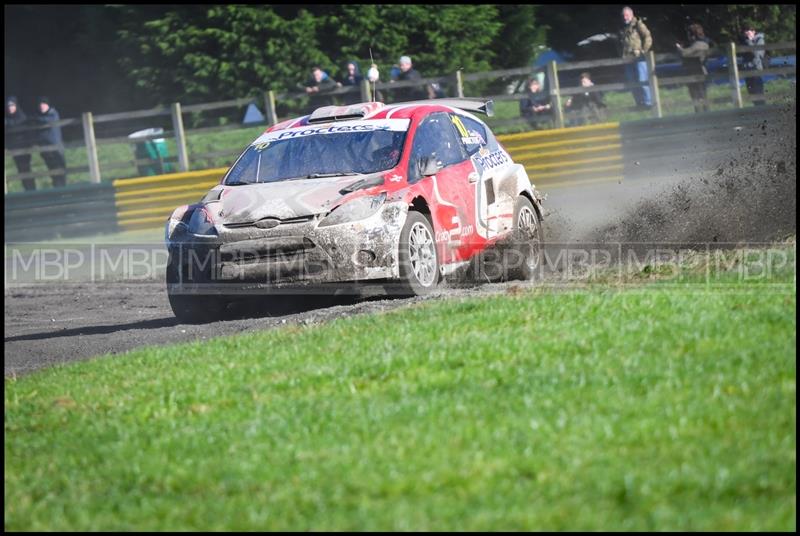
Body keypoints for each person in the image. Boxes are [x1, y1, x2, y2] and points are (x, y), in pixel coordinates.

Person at [618, 6, 653, 110]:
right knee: (632, 82)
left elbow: (648, 36)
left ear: (631, 14)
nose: (625, 17)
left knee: (643, 80)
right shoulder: (623, 28)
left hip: (639, 58)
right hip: (628, 58)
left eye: (627, 15)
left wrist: (644, 50)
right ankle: (639, 103)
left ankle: (649, 103)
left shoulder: (638, 24)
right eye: (623, 15)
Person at [675, 23, 711, 113]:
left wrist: (679, 48)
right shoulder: (702, 43)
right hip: (697, 71)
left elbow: (685, 53)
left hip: (697, 72)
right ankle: (703, 113)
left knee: (698, 95)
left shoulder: (699, 44)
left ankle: (702, 114)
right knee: (699, 95)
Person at [33, 96, 67, 188]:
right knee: (51, 168)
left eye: (44, 104)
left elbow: (47, 121)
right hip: (45, 148)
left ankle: (62, 188)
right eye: (40, 105)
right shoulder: (38, 117)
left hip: (56, 147)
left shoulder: (53, 114)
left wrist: (36, 119)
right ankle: (57, 188)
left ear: (48, 105)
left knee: (60, 168)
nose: (41, 106)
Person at [5, 96, 35, 191]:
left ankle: (31, 189)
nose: (10, 108)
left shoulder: (22, 117)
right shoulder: (7, 119)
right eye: (8, 106)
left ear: (16, 106)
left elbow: (24, 128)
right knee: (20, 170)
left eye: (12, 105)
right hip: (14, 149)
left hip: (24, 147)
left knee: (26, 168)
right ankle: (27, 189)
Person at [741, 26, 766, 106]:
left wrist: (749, 41)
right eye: (745, 31)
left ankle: (762, 110)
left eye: (749, 31)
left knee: (758, 91)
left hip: (756, 69)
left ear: (754, 31)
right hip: (747, 70)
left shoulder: (760, 40)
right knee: (751, 92)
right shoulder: (744, 42)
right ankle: (756, 111)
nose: (747, 33)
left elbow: (757, 54)